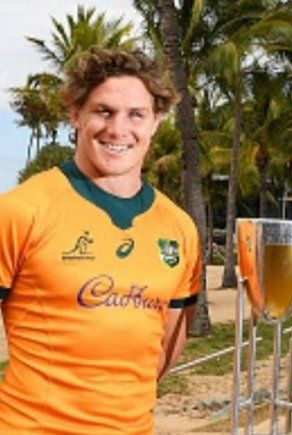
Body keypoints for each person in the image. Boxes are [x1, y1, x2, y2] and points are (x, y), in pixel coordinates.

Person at [0, 47, 202, 434]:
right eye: (104, 111)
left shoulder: (179, 228)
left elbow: (163, 350)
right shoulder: (21, 210)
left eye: (136, 114)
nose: (117, 129)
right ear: (76, 114)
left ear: (156, 122)